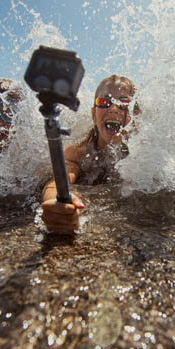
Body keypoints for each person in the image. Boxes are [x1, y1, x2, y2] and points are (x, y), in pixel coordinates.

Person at [41, 74, 138, 234]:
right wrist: (55, 201)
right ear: (94, 114)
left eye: (124, 102)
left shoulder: (143, 153)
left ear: (134, 116)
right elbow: (57, 182)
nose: (113, 109)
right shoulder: (78, 153)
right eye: (104, 102)